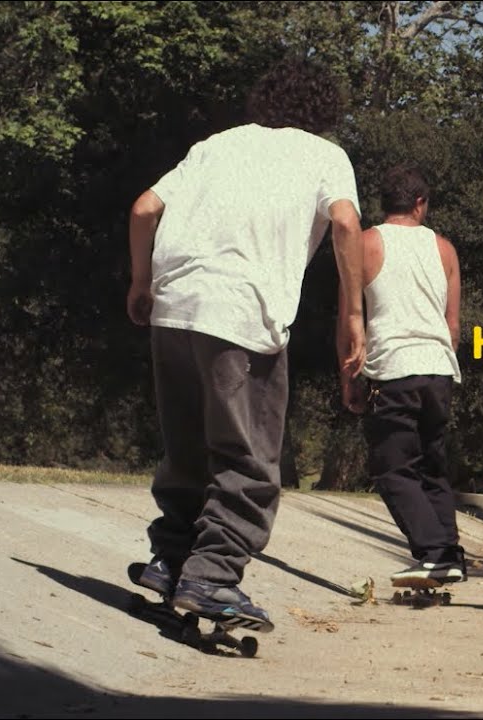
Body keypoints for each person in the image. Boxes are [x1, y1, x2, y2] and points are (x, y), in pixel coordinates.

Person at [126, 58, 364, 628]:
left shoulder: (218, 145)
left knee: (187, 448)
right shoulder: (325, 155)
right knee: (248, 456)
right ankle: (211, 577)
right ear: (324, 112)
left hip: (173, 308)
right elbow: (346, 224)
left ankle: (171, 558)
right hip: (240, 314)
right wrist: (353, 314)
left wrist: (140, 282)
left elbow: (144, 207)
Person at [347, 164, 465, 585]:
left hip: (393, 369)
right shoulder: (444, 249)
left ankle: (433, 553)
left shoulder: (365, 243)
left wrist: (349, 379)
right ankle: (449, 555)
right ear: (419, 203)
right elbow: (453, 326)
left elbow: (350, 317)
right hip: (438, 369)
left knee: (393, 469)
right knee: (432, 467)